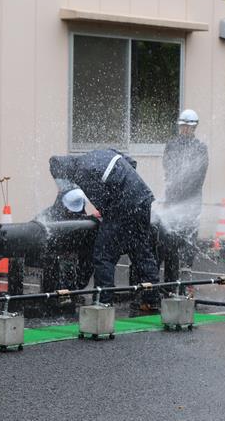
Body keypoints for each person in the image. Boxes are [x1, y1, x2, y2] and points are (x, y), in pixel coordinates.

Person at [49, 149, 160, 308]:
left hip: (124, 207)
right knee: (141, 251)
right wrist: (125, 186)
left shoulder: (81, 173)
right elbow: (131, 163)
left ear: (66, 173)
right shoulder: (99, 152)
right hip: (143, 199)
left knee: (103, 255)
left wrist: (104, 211)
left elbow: (102, 201)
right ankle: (151, 300)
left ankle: (103, 302)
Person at [160, 109, 209, 281]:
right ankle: (171, 276)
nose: (185, 129)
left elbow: (199, 177)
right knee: (171, 235)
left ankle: (186, 271)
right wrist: (171, 194)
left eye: (188, 127)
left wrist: (183, 192)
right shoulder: (171, 145)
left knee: (189, 235)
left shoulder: (200, 148)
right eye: (183, 126)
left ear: (194, 128)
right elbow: (167, 169)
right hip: (173, 199)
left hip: (191, 201)